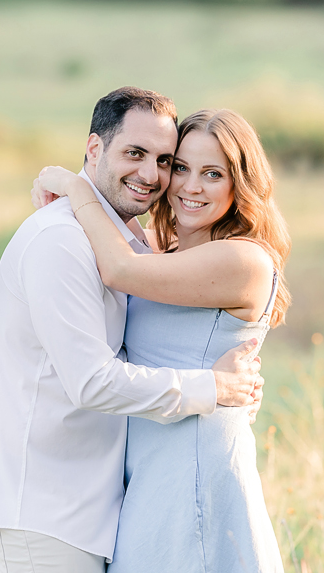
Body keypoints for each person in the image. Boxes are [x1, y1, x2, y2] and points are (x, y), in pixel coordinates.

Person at [0, 87, 264, 573]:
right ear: (93, 149)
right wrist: (214, 387)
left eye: (164, 160)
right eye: (135, 153)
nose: (152, 175)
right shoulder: (61, 241)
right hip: (46, 511)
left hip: (104, 509)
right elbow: (91, 380)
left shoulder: (130, 245)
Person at [33, 107, 291, 572]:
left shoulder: (242, 260)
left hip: (193, 462)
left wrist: (77, 185)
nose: (191, 187)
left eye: (212, 174)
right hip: (150, 467)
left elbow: (119, 268)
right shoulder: (163, 251)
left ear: (240, 184)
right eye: (180, 167)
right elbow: (116, 243)